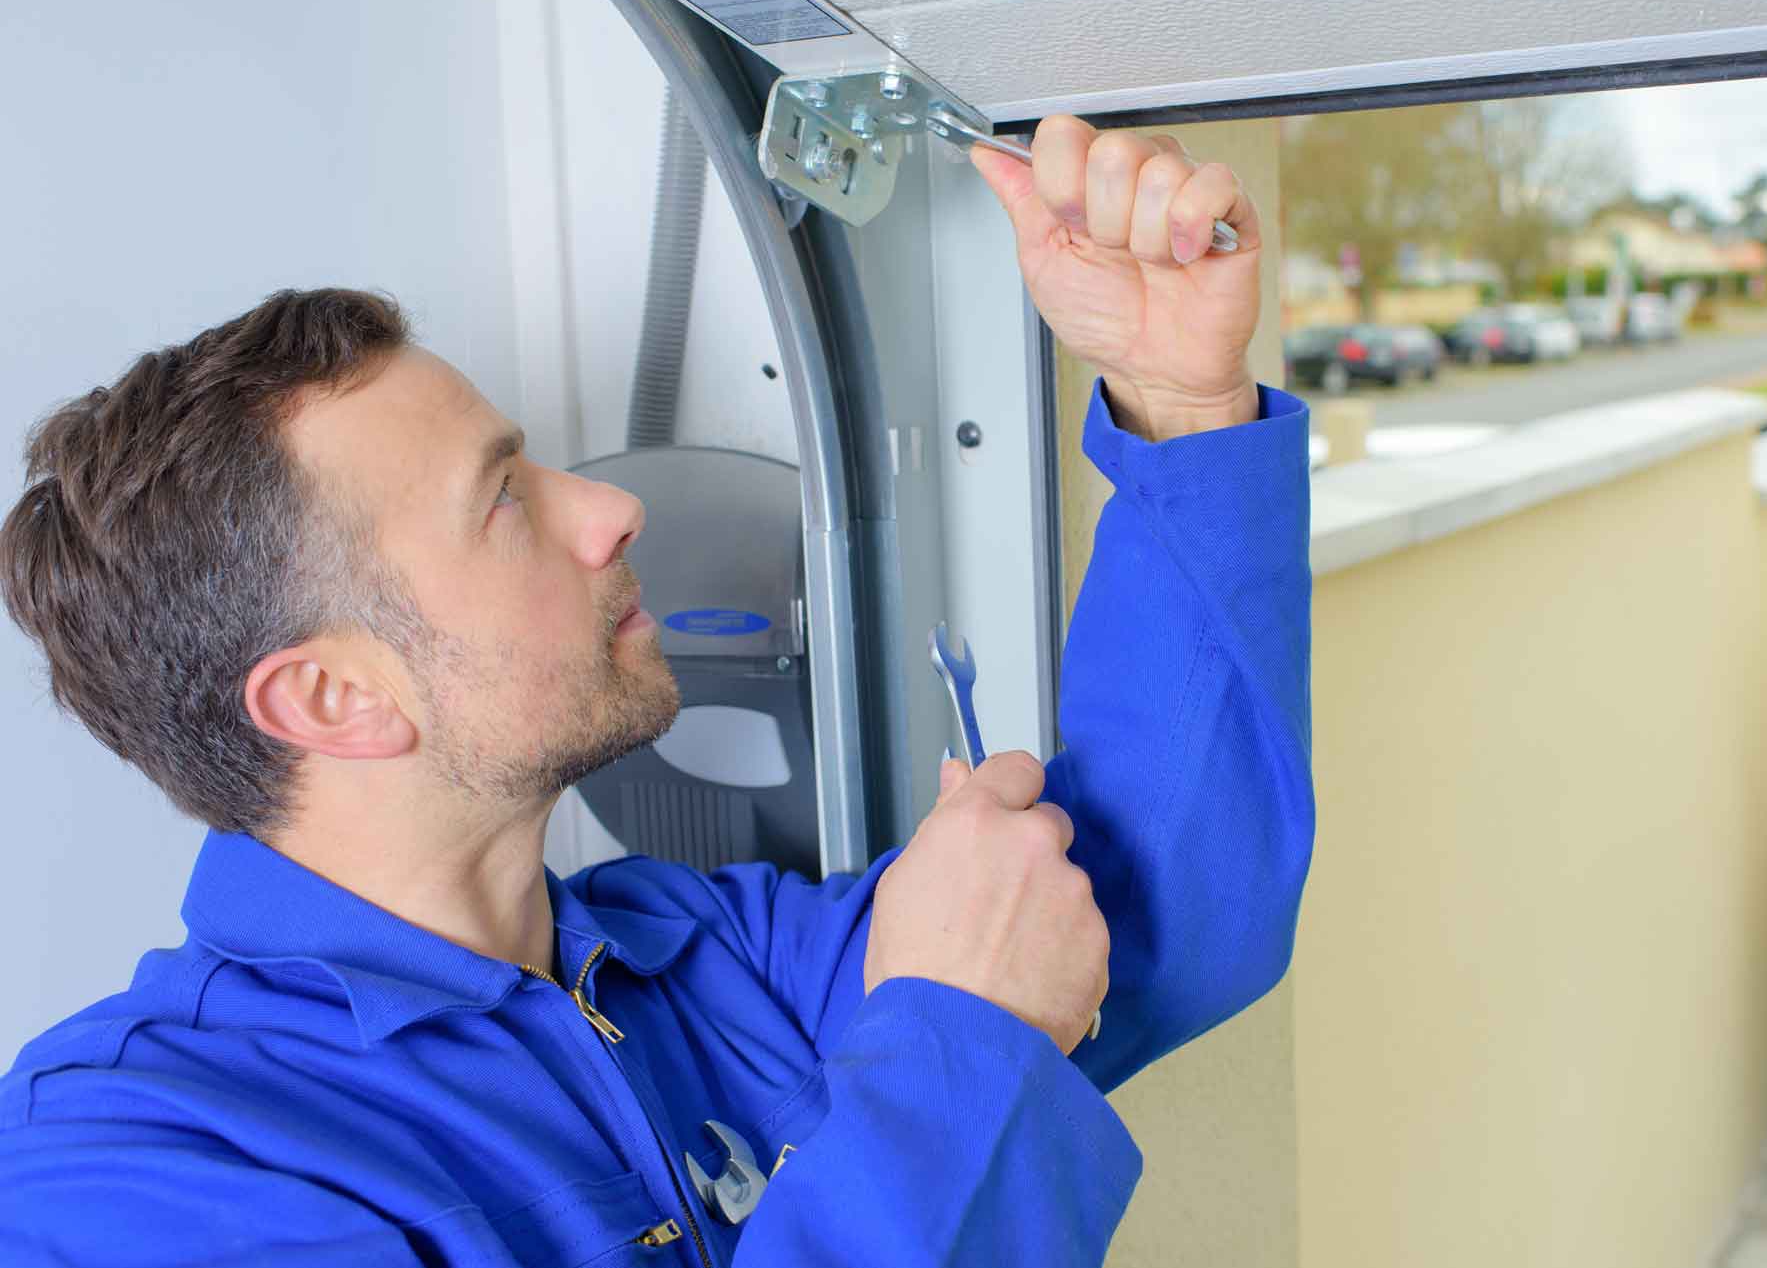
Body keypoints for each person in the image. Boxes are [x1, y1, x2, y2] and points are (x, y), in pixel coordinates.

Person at [0, 116, 1313, 1266]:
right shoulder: (135, 1167)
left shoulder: (691, 959)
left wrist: (1178, 395)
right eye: (504, 499)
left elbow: (1153, 906)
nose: (612, 508)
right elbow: (983, 1017)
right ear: (338, 697)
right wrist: (957, 1044)